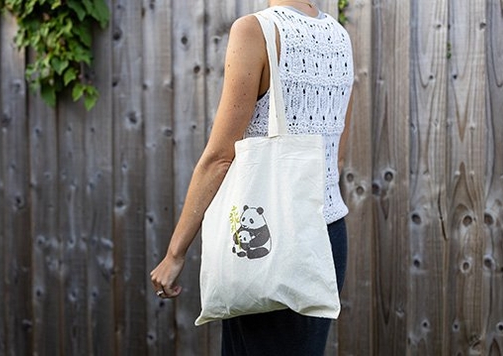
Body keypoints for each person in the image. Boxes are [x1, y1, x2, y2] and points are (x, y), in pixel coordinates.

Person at [150, 0, 353, 354]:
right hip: (328, 235)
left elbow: (219, 157)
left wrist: (175, 253)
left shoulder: (254, 30)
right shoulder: (339, 36)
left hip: (272, 240)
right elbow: (334, 155)